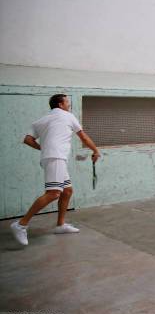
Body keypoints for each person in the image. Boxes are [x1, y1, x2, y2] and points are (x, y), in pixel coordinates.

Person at [10, 94, 101, 246]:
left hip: (51, 158)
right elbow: (83, 138)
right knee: (53, 193)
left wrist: (43, 148)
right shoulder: (68, 116)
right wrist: (95, 151)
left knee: (67, 191)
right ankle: (21, 224)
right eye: (67, 102)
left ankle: (60, 225)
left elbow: (27, 139)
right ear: (60, 104)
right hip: (56, 158)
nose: (69, 105)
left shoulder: (41, 120)